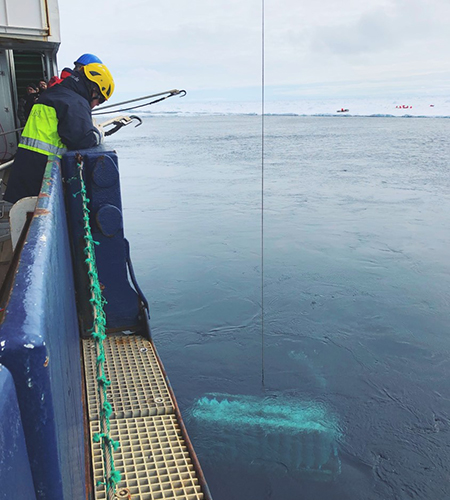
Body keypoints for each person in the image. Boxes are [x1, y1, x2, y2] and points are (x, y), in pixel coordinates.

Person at [4, 62, 114, 204]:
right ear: (94, 89)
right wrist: (99, 134)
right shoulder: (74, 101)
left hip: (26, 167)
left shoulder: (56, 92)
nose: (97, 105)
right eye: (101, 100)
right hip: (42, 173)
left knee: (25, 216)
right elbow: (81, 138)